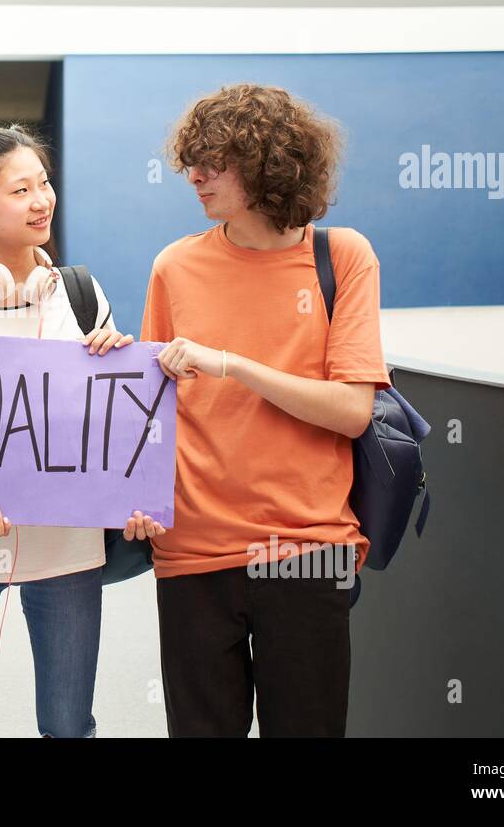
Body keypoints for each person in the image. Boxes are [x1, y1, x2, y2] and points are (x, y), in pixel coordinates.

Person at [143, 83, 391, 737]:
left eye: (215, 161)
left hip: (309, 548)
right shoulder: (174, 267)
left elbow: (352, 411)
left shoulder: (343, 258)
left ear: (269, 164)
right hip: (194, 550)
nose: (195, 176)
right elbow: (149, 412)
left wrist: (230, 364)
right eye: (191, 161)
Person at [0, 125, 162, 738]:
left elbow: (110, 423)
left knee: (70, 727)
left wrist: (114, 354)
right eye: (20, 189)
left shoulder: (79, 294)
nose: (41, 200)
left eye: (43, 183)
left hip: (66, 548)